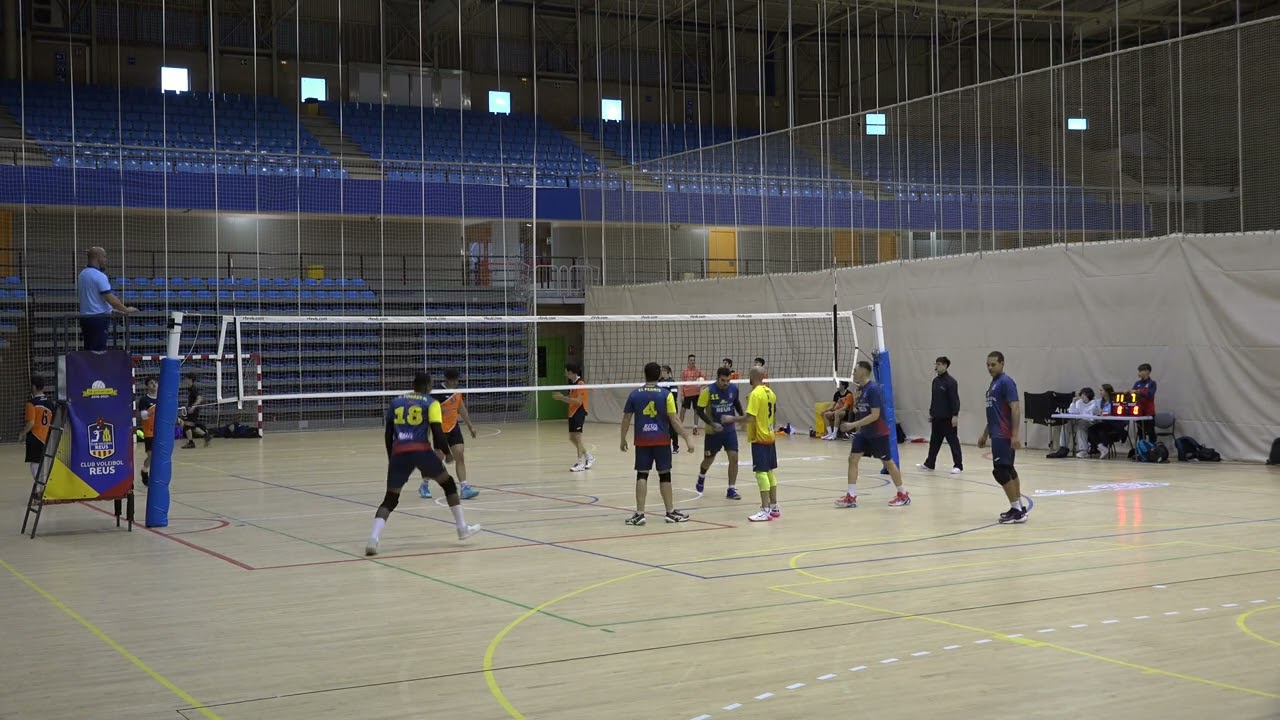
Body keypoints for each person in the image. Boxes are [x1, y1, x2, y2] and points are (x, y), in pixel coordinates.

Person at [367, 371, 480, 556]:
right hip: (421, 451)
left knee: (390, 499)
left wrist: (391, 458)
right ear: (428, 386)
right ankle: (462, 529)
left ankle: (373, 540)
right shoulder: (431, 403)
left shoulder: (396, 402)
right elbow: (437, 432)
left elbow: (388, 434)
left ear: (413, 385)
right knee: (448, 484)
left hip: (399, 453)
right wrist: (448, 453)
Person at [619, 362, 694, 526]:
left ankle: (640, 514)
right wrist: (687, 438)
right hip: (661, 440)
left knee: (642, 475)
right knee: (665, 476)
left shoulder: (634, 394)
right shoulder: (665, 394)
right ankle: (670, 512)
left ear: (644, 374)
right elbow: (674, 419)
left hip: (642, 440)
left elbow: (626, 419)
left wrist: (622, 438)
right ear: (659, 374)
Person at [835, 361, 910, 508]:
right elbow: (861, 411)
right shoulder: (860, 390)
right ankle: (851, 496)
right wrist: (855, 404)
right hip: (864, 433)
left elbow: (875, 415)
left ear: (863, 372)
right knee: (853, 459)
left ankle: (903, 493)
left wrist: (852, 425)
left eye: (855, 370)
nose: (853, 373)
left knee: (888, 463)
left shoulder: (874, 389)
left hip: (878, 433)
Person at [977, 351, 1029, 524]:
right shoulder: (993, 384)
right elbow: (994, 413)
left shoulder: (1006, 382)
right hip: (996, 434)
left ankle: (1016, 510)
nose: (990, 368)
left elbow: (1015, 408)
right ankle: (1019, 507)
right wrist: (985, 434)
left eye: (993, 364)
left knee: (1000, 471)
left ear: (1002, 363)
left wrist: (1015, 434)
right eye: (988, 365)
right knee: (1008, 469)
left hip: (1004, 434)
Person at [419, 369, 479, 501]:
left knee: (459, 455)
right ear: (447, 379)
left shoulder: (457, 391)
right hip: (440, 429)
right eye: (453, 379)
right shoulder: (437, 392)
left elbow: (461, 408)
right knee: (437, 458)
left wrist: (470, 426)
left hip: (453, 428)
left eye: (456, 379)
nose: (455, 382)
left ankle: (464, 488)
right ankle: (424, 485)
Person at [693, 366, 744, 500]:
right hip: (713, 432)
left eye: (728, 380)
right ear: (717, 378)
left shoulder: (733, 389)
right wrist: (711, 423)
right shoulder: (708, 391)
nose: (726, 383)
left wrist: (743, 418)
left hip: (729, 431)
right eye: (723, 380)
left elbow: (736, 403)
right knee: (708, 460)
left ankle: (731, 489)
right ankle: (702, 475)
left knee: (734, 458)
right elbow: (699, 410)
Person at [76, 246, 137, 351]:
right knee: (98, 351)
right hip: (98, 320)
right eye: (105, 257)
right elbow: (111, 299)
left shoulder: (82, 274)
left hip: (85, 319)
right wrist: (126, 310)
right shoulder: (99, 276)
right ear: (99, 259)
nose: (106, 260)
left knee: (89, 349)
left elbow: (92, 299)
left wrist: (110, 311)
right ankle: (97, 367)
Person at [744, 366, 780, 522]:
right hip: (770, 437)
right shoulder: (771, 393)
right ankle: (774, 507)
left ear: (752, 376)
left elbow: (750, 417)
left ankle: (765, 510)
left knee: (761, 473)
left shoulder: (755, 394)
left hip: (759, 438)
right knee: (770, 472)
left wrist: (732, 420)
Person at [919, 356, 963, 473]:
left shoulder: (951, 382)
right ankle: (930, 463)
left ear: (945, 365)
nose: (936, 367)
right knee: (934, 442)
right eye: (936, 364)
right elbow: (934, 399)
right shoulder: (935, 381)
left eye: (938, 364)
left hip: (948, 419)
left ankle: (958, 465)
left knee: (953, 442)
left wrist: (955, 415)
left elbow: (955, 400)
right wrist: (932, 413)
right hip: (936, 418)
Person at [551, 362, 592, 471]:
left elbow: (578, 401)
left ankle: (580, 463)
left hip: (579, 412)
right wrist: (561, 397)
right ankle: (588, 456)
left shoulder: (581, 384)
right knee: (572, 438)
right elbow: (570, 397)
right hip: (572, 413)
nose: (565, 374)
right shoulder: (572, 383)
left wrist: (562, 398)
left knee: (578, 438)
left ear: (570, 372)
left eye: (566, 372)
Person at [1047, 387, 1101, 459]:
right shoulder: (1079, 402)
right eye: (1081, 394)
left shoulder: (1094, 403)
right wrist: (1073, 402)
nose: (1082, 396)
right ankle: (1063, 448)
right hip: (1079, 422)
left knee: (1081, 425)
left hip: (1091, 423)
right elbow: (1072, 412)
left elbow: (1091, 415)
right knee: (1066, 426)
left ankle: (1083, 450)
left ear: (1089, 395)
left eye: (1084, 395)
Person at [22, 376, 56, 479]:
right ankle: (43, 487)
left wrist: (22, 433)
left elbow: (31, 423)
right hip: (47, 437)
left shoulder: (31, 403)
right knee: (45, 463)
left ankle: (38, 488)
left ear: (33, 387)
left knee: (34, 464)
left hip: (35, 437)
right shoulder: (50, 403)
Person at [137, 377, 158, 486]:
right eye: (151, 383)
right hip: (149, 431)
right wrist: (153, 411)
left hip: (160, 432)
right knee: (151, 455)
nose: (154, 384)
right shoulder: (144, 400)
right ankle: (145, 472)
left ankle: (155, 476)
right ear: (147, 386)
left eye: (155, 382)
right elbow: (143, 416)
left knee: (160, 455)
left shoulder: (162, 398)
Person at [181, 381, 211, 449]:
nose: (185, 381)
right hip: (190, 410)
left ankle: (191, 443)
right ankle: (206, 435)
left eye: (186, 379)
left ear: (190, 379)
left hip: (193, 411)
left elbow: (200, 398)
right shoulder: (190, 389)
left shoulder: (194, 388)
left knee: (187, 425)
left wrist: (193, 407)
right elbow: (190, 400)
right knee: (192, 427)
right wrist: (187, 406)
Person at [679, 354, 704, 435]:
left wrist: (701, 386)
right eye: (691, 360)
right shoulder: (684, 372)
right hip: (687, 394)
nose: (692, 361)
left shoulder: (698, 371)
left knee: (696, 411)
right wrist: (682, 394)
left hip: (696, 394)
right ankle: (679, 428)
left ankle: (695, 428)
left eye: (693, 360)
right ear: (688, 361)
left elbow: (705, 380)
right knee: (682, 411)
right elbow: (682, 384)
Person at [659, 365, 682, 453]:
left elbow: (674, 395)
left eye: (663, 371)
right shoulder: (659, 381)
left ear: (668, 372)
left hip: (671, 407)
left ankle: (675, 447)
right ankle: (663, 445)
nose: (662, 372)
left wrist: (663, 396)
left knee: (673, 427)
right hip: (661, 407)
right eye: (661, 371)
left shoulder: (672, 382)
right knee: (662, 427)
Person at [1133, 363, 1158, 443]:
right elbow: (1133, 395)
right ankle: (1142, 450)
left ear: (1147, 371)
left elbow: (1150, 395)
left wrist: (1139, 392)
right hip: (1139, 412)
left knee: (1150, 432)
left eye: (1140, 371)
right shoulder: (1137, 383)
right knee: (1140, 433)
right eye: (1138, 371)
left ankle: (1153, 449)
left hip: (1149, 412)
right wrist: (1129, 392)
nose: (1138, 373)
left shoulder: (1152, 383)